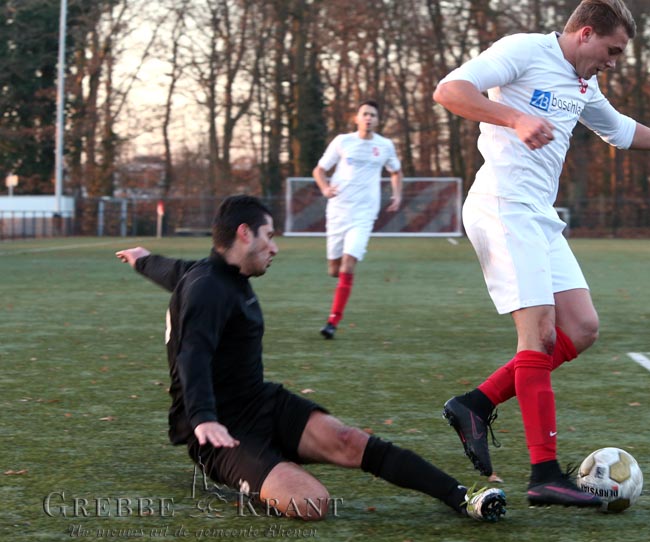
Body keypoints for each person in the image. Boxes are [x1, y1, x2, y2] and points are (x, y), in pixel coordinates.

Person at [432, 0, 650, 508]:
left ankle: (475, 404)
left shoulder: (583, 84)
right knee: (539, 334)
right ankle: (544, 474)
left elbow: (621, 131)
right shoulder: (524, 50)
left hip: (538, 214)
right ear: (585, 33)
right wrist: (514, 117)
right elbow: (450, 90)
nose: (613, 61)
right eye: (612, 50)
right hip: (502, 206)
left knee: (582, 328)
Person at [115, 195, 505, 522]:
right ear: (244, 233)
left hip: (260, 402)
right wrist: (203, 417)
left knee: (349, 440)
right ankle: (266, 470)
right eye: (269, 236)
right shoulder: (207, 289)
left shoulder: (206, 274)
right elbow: (193, 353)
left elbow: (172, 270)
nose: (274, 247)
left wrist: (142, 259)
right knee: (311, 502)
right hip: (219, 432)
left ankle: (461, 497)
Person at [312, 100, 403, 339]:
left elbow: (395, 171)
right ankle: (344, 276)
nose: (368, 118)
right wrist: (325, 188)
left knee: (348, 263)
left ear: (378, 120)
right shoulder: (343, 141)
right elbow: (319, 170)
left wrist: (397, 195)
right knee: (334, 269)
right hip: (338, 211)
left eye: (373, 114)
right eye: (365, 114)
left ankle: (332, 322)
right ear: (357, 118)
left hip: (364, 213)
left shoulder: (384, 145)